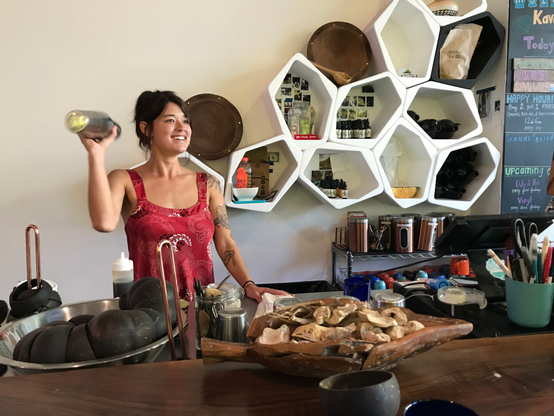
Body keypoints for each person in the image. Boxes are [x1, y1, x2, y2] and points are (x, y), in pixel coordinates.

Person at [80, 90, 289, 303]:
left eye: (186, 121)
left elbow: (225, 242)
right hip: (149, 311)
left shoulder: (207, 184)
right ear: (146, 129)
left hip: (203, 308)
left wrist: (249, 285)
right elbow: (103, 223)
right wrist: (96, 155)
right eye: (170, 120)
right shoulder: (125, 180)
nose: (182, 128)